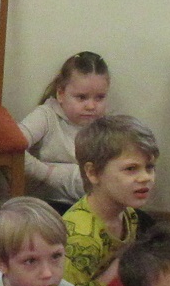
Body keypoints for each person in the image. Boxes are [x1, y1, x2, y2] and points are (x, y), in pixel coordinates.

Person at [62, 115, 158, 286]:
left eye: (149, 167)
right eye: (131, 169)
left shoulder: (129, 215)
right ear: (93, 173)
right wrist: (116, 270)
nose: (145, 177)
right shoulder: (81, 235)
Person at [19, 51, 110, 210]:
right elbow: (13, 147)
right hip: (47, 205)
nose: (91, 106)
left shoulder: (105, 127)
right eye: (81, 97)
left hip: (90, 205)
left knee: (141, 220)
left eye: (99, 97)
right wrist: (47, 173)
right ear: (61, 94)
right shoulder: (46, 116)